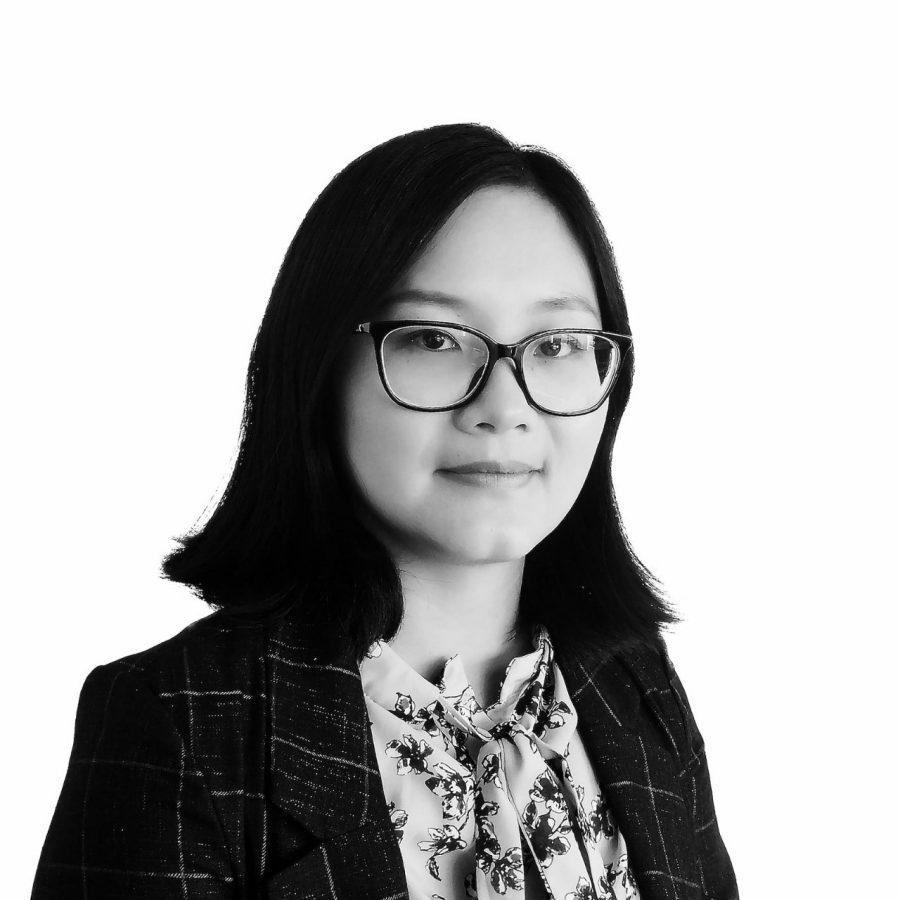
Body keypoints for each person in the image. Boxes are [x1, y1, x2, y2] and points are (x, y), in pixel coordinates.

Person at [31, 123, 738, 900]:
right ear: (319, 368)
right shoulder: (182, 723)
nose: (505, 408)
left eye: (557, 344)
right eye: (434, 339)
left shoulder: (634, 683)